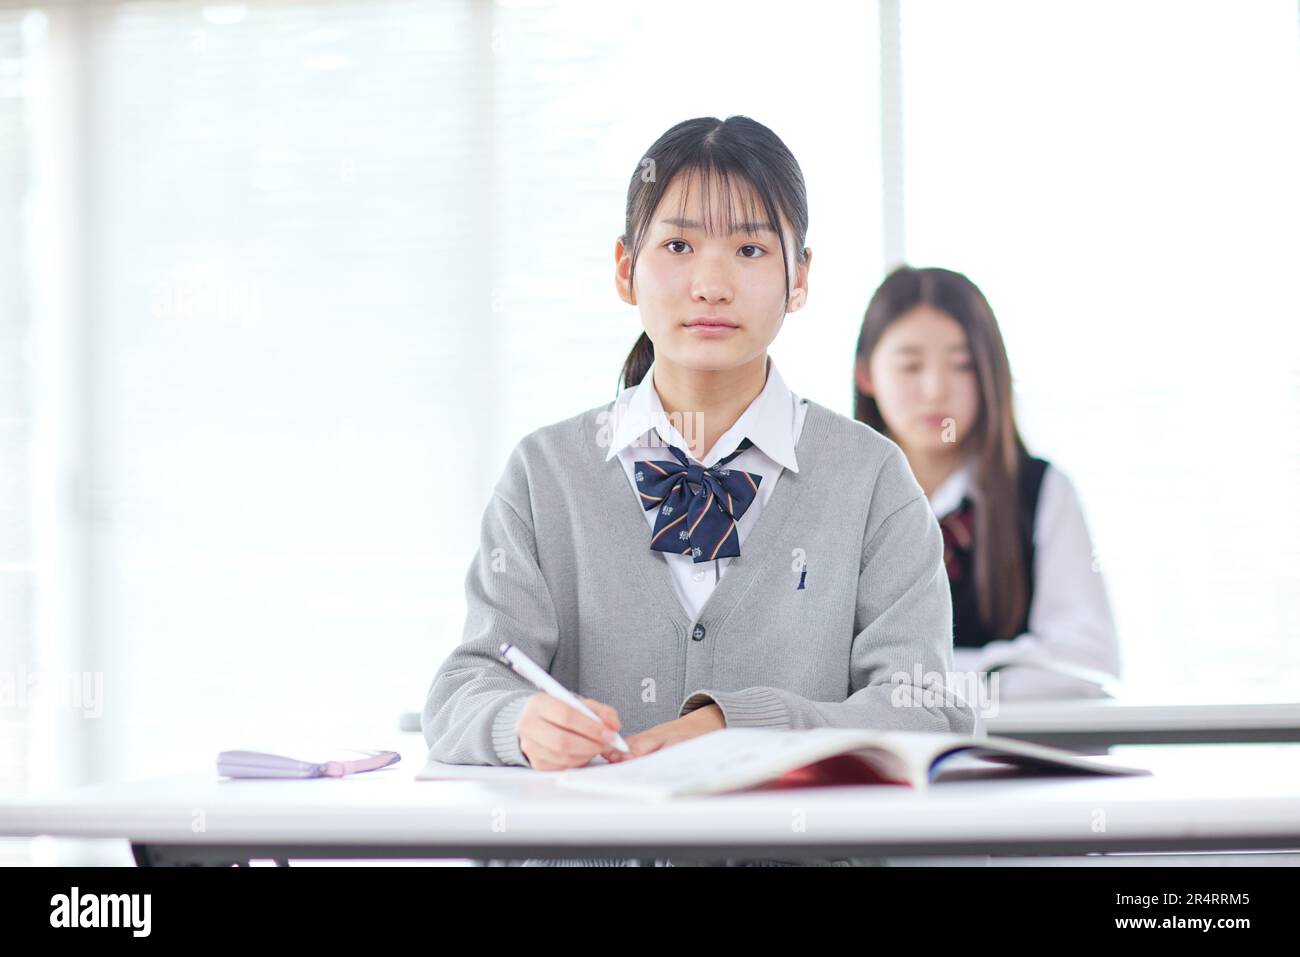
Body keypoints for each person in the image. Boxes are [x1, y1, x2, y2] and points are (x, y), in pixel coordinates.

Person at [423, 117, 976, 866]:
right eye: (677, 246)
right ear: (625, 269)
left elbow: (928, 712)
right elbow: (464, 685)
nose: (711, 284)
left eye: (750, 249)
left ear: (800, 276)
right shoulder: (545, 472)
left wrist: (738, 726)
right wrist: (520, 721)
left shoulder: (873, 480)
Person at [853, 265, 1121, 701]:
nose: (935, 389)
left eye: (962, 366)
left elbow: (1086, 662)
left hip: (1017, 754)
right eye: (910, 366)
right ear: (867, 375)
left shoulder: (1041, 491)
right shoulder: (836, 492)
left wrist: (915, 683)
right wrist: (1002, 668)